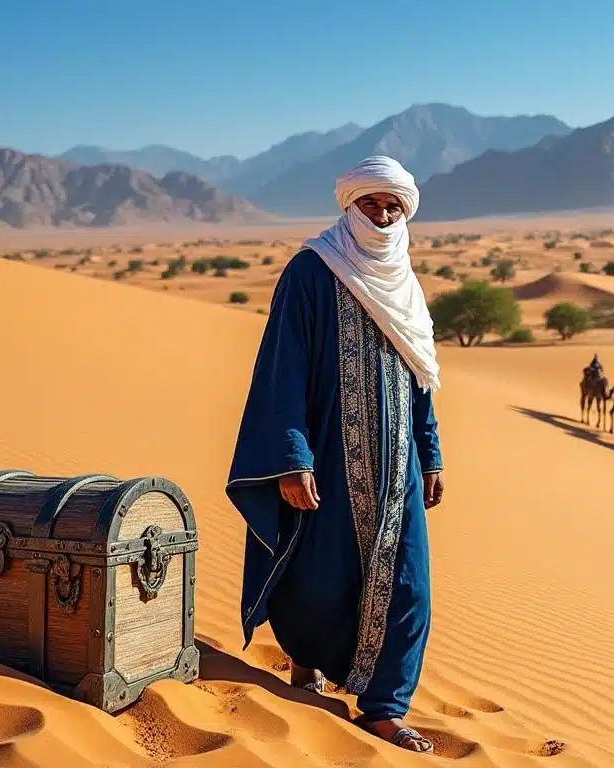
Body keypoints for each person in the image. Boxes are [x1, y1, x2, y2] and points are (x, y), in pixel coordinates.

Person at [225, 156, 443, 754]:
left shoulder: (405, 283)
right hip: (328, 462)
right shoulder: (312, 271)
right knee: (319, 582)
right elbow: (283, 370)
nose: (383, 215)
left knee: (410, 590)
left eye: (393, 206)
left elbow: (421, 373)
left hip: (397, 472)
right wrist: (292, 457)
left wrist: (431, 452)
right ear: (350, 206)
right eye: (371, 203)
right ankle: (306, 657)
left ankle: (385, 710)